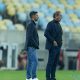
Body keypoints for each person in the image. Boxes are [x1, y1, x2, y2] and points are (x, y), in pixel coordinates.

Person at [44, 11, 63, 80]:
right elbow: (46, 33)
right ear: (55, 16)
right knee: (50, 62)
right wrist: (53, 41)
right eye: (58, 15)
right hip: (53, 46)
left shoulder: (59, 24)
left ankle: (53, 77)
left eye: (60, 16)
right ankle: (48, 77)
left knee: (55, 63)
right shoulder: (50, 23)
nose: (59, 17)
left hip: (58, 47)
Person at [25, 11, 39, 80]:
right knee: (35, 61)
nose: (38, 16)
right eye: (36, 15)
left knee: (30, 62)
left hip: (31, 46)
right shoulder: (31, 24)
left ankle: (28, 77)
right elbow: (30, 37)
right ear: (33, 16)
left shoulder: (32, 24)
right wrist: (36, 44)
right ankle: (34, 77)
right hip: (31, 46)